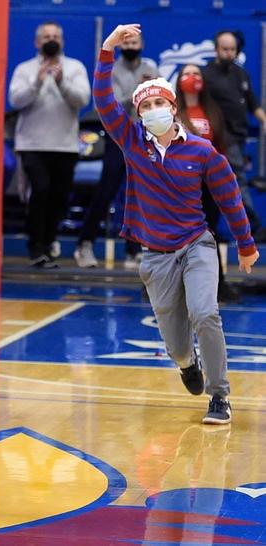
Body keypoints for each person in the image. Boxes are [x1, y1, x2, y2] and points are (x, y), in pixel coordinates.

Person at [94, 23, 258, 425]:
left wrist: (246, 244)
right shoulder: (132, 142)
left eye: (157, 104)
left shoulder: (202, 150)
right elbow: (103, 101)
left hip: (196, 244)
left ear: (172, 105)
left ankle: (220, 396)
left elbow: (229, 197)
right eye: (144, 107)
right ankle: (187, 363)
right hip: (155, 255)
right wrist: (107, 50)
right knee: (177, 343)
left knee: (206, 313)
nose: (151, 111)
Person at [8, 21, 91, 268]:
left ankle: (50, 241)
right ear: (37, 42)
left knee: (59, 197)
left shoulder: (75, 67)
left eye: (55, 35)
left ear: (62, 41)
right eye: (46, 36)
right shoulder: (25, 69)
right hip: (32, 144)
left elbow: (82, 99)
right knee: (40, 191)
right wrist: (37, 81)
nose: (50, 39)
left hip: (65, 145)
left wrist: (63, 81)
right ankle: (36, 246)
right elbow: (15, 100)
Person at [73, 31, 156, 268]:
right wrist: (139, 92)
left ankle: (134, 250)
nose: (131, 45)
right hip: (117, 136)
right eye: (127, 42)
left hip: (144, 137)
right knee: (106, 190)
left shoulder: (151, 67)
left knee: (139, 193)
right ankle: (85, 244)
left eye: (135, 42)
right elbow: (114, 101)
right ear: (121, 46)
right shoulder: (113, 70)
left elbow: (160, 96)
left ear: (142, 44)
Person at [176, 65, 237, 302]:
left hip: (207, 184)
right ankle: (168, 285)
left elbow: (220, 150)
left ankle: (217, 284)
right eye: (187, 74)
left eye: (197, 74)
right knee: (176, 235)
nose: (192, 78)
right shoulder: (172, 111)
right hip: (180, 186)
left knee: (209, 235)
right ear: (179, 80)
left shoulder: (212, 111)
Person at [202, 30, 265, 237]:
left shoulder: (241, 73)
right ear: (216, 49)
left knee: (228, 184)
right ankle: (253, 226)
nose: (229, 53)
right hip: (219, 139)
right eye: (225, 49)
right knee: (236, 182)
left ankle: (217, 227)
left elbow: (252, 102)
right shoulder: (207, 74)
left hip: (239, 136)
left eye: (233, 49)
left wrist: (263, 119)